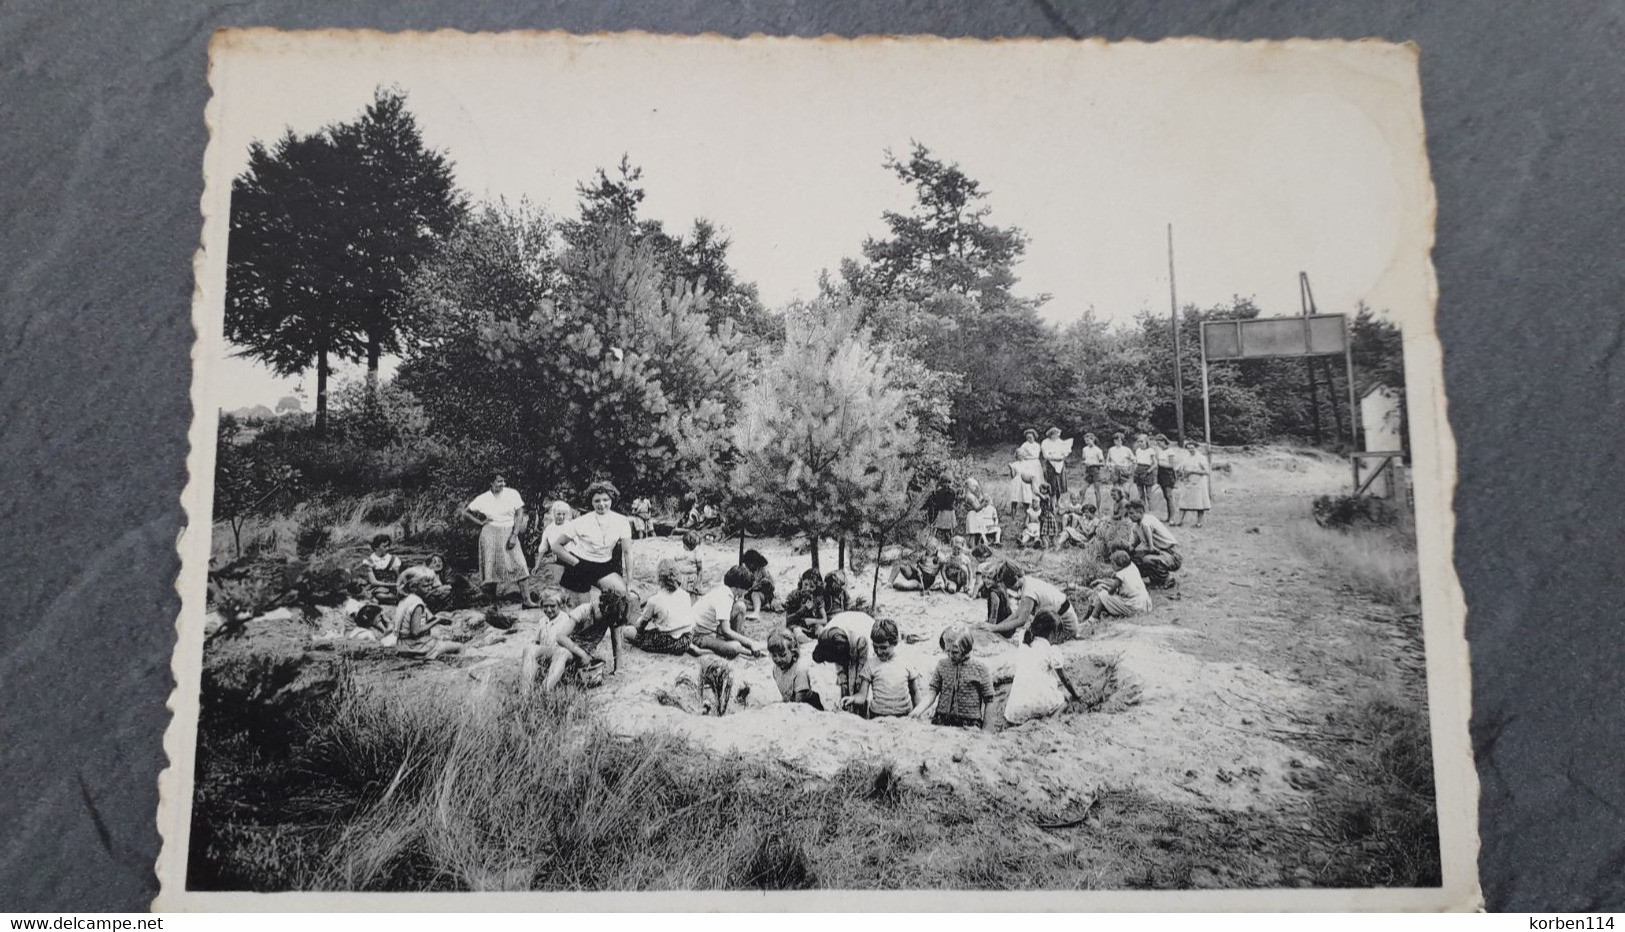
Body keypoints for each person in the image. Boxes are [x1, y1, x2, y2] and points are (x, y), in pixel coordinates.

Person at [520, 588, 631, 693]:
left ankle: (544, 691)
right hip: (569, 649)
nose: (601, 617)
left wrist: (618, 669)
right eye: (600, 612)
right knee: (529, 649)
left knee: (562, 653)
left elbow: (616, 644)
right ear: (599, 605)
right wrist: (582, 654)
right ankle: (525, 692)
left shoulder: (611, 615)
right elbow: (560, 637)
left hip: (577, 656)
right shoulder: (584, 610)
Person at [551, 480, 635, 599]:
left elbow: (627, 552)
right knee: (581, 610)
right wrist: (575, 562)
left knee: (622, 595)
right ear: (591, 502)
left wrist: (630, 582)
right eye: (597, 500)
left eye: (605, 500)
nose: (601, 504)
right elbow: (556, 546)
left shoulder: (622, 521)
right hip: (580, 565)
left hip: (604, 565)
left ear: (612, 499)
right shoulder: (581, 521)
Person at [464, 473, 536, 607]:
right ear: (491, 483)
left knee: (520, 564)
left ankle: (527, 600)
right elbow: (466, 512)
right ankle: (493, 604)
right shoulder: (483, 498)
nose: (503, 484)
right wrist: (480, 523)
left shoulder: (512, 493)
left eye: (503, 481)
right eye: (499, 481)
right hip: (490, 533)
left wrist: (514, 534)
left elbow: (519, 513)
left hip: (509, 531)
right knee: (491, 567)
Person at [1003, 611, 1083, 726]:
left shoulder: (1024, 640)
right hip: (1038, 704)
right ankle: (1051, 723)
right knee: (1063, 701)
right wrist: (1075, 695)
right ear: (1052, 633)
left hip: (1015, 708)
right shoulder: (1052, 650)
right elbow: (1065, 679)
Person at [910, 624, 994, 729]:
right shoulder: (942, 665)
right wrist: (918, 711)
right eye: (947, 651)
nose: (950, 655)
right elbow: (933, 691)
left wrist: (987, 729)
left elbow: (989, 700)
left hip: (969, 723)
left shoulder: (980, 669)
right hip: (942, 719)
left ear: (966, 649)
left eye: (955, 652)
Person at [984, 559, 1082, 643]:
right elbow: (1017, 614)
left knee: (1033, 643)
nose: (1010, 589)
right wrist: (996, 627)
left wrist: (994, 628)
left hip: (1066, 625)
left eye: (1009, 586)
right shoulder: (1027, 581)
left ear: (1015, 580)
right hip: (1060, 618)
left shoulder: (1028, 592)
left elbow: (1020, 621)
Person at [691, 565, 766, 658]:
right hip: (698, 636)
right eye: (745, 590)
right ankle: (746, 650)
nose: (744, 593)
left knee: (740, 606)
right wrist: (751, 644)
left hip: (709, 629)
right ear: (739, 587)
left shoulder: (724, 589)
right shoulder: (725, 597)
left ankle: (737, 642)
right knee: (735, 647)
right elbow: (726, 630)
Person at [854, 618, 920, 718]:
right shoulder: (870, 664)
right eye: (875, 647)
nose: (879, 651)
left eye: (883, 647)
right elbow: (862, 695)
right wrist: (853, 699)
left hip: (903, 715)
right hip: (877, 716)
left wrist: (918, 713)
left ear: (895, 643)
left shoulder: (906, 663)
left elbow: (915, 692)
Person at [811, 611, 875, 712]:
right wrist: (843, 683)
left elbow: (863, 669)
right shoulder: (826, 637)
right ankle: (847, 705)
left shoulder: (861, 639)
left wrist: (857, 694)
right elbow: (838, 662)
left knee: (860, 679)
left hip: (865, 629)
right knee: (845, 682)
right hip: (846, 628)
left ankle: (861, 709)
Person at [629, 562, 696, 655]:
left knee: (627, 631)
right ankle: (691, 648)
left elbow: (641, 626)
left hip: (668, 642)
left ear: (660, 579)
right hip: (686, 640)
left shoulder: (655, 599)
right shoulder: (685, 595)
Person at [1081, 549, 1154, 620]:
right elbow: (1117, 584)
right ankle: (1099, 611)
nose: (1112, 566)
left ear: (1118, 565)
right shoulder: (1132, 567)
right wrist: (1102, 581)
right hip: (1145, 603)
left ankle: (1092, 618)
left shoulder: (1120, 574)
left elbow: (1111, 591)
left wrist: (1105, 588)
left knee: (1102, 595)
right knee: (1106, 592)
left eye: (1113, 564)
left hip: (1134, 605)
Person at [1125, 499, 1182, 589]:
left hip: (1172, 553)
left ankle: (1167, 579)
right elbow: (1132, 545)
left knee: (1148, 559)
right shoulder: (1136, 526)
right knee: (1132, 557)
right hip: (1159, 552)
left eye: (1132, 513)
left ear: (1140, 512)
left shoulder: (1146, 522)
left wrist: (1150, 552)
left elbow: (1151, 548)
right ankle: (1155, 579)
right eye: (1128, 513)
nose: (1130, 516)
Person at [767, 627, 823, 709]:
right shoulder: (776, 669)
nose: (778, 659)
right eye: (774, 655)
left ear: (793, 651)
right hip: (792, 702)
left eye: (783, 655)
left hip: (809, 706)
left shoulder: (799, 671)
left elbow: (799, 704)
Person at [533, 501, 573, 591]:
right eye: (559, 514)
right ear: (554, 514)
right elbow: (543, 548)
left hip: (571, 557)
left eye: (564, 514)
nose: (561, 517)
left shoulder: (570, 526)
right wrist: (537, 565)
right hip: (557, 558)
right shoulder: (549, 528)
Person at [1175, 440, 1213, 527]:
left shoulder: (1201, 458)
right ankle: (1179, 521)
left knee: (1199, 503)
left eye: (1192, 448)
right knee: (1183, 501)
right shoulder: (1186, 457)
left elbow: (1207, 471)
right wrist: (1181, 472)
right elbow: (1181, 468)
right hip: (1188, 482)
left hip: (1199, 482)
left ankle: (1199, 523)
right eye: (1188, 448)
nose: (1190, 450)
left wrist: (1192, 471)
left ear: (1196, 447)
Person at [1009, 429, 1043, 519]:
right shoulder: (1024, 445)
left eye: (1030, 437)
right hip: (1025, 465)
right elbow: (1020, 452)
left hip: (1034, 464)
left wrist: (1026, 453)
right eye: (1027, 437)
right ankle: (1019, 511)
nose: (1029, 439)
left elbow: (1036, 455)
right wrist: (1023, 455)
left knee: (1035, 484)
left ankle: (1036, 505)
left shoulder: (1036, 445)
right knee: (1021, 492)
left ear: (1034, 436)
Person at [361, 534, 402, 603]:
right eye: (384, 546)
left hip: (393, 587)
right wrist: (391, 584)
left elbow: (399, 576)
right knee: (380, 595)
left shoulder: (393, 559)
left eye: (388, 545)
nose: (388, 548)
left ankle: (394, 598)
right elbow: (373, 581)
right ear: (376, 547)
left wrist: (398, 585)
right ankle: (394, 600)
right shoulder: (370, 560)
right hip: (378, 586)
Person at [740, 549, 776, 618]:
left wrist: (762, 584)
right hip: (751, 595)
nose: (747, 567)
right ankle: (761, 607)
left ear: (754, 562)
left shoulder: (763, 570)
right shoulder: (750, 572)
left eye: (749, 564)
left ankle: (756, 612)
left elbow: (771, 585)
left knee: (755, 594)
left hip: (764, 595)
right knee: (741, 599)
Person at [1040, 427, 1073, 497]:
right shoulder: (1045, 442)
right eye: (1054, 434)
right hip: (1050, 465)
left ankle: (1058, 501)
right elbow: (1045, 455)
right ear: (1050, 434)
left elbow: (1065, 452)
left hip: (1060, 464)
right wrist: (1054, 458)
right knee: (1052, 483)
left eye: (1057, 434)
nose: (1056, 436)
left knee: (1060, 484)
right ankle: (1051, 501)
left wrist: (1062, 457)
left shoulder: (1060, 442)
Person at [1154, 434, 1180, 522]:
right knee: (1165, 496)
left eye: (1159, 442)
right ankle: (1168, 517)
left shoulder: (1170, 451)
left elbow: (1171, 465)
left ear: (1164, 441)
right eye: (1157, 443)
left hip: (1168, 474)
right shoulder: (1160, 451)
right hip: (1161, 473)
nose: (1158, 444)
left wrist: (1160, 464)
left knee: (1169, 495)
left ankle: (1172, 518)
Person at [924, 476, 957, 543]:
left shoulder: (942, 492)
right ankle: (946, 542)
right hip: (947, 512)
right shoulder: (950, 491)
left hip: (945, 512)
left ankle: (939, 542)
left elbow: (940, 503)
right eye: (946, 482)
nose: (947, 484)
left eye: (948, 482)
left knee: (941, 529)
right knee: (944, 529)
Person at [1079, 432, 1106, 511]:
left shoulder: (1098, 450)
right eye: (1085, 441)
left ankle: (1098, 510)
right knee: (1082, 490)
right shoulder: (1084, 449)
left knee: (1096, 491)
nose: (1086, 442)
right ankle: (1079, 507)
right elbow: (1084, 459)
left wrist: (1092, 463)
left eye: (1088, 440)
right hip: (1088, 471)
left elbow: (1103, 463)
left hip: (1095, 471)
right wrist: (1084, 463)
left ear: (1093, 440)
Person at [1106, 432, 1135, 504]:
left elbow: (1134, 460)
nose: (1117, 442)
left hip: (1124, 470)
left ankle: (1127, 505)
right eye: (1115, 440)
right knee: (1116, 490)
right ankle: (1118, 505)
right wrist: (1109, 467)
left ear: (1122, 441)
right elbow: (1108, 460)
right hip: (1115, 470)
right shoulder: (1111, 450)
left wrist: (1130, 470)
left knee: (1126, 490)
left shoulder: (1127, 450)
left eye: (1119, 440)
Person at [1132, 433, 1158, 504]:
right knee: (1140, 493)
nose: (1140, 443)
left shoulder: (1150, 450)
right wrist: (1135, 471)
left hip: (1147, 471)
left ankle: (1151, 510)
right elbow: (1136, 462)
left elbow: (1155, 463)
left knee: (1149, 495)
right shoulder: (1138, 450)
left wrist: (1149, 471)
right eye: (1138, 442)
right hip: (1138, 471)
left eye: (1141, 441)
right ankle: (1143, 509)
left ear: (1146, 441)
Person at [1037, 482, 1061, 550]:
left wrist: (1036, 492)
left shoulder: (1046, 497)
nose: (1039, 490)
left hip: (1047, 516)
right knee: (1046, 534)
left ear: (1045, 490)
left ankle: (1047, 547)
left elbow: (1042, 497)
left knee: (1044, 535)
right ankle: (1052, 546)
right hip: (1045, 515)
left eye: (1041, 489)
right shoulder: (1046, 496)